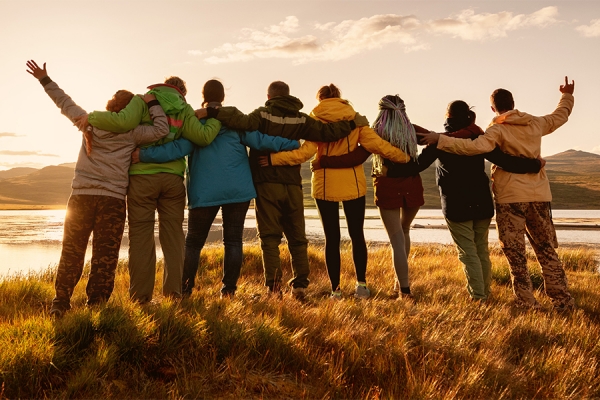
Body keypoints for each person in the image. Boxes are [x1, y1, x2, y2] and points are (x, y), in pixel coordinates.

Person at [319, 98, 543, 303]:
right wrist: (532, 164)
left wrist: (328, 162)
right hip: (446, 196)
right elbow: (488, 153)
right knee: (463, 246)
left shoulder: (390, 134)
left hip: (421, 195)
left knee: (407, 240)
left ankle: (415, 290)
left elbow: (385, 160)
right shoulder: (451, 135)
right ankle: (472, 291)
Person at [195, 81, 369, 299]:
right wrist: (352, 125)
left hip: (266, 184)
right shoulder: (302, 118)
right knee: (297, 237)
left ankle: (274, 288)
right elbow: (327, 132)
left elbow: (241, 121)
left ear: (269, 96)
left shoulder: (262, 114)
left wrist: (211, 110)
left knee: (269, 238)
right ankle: (300, 286)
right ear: (288, 96)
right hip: (293, 184)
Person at [25, 60, 170, 317]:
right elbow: (161, 129)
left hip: (80, 196)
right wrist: (152, 103)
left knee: (72, 250)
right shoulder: (134, 132)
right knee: (105, 255)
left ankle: (60, 303)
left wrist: (44, 79)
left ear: (110, 106)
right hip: (112, 200)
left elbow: (63, 102)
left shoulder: (88, 121)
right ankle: (97, 307)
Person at [419, 77, 576, 311]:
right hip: (539, 195)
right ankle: (563, 302)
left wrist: (440, 140)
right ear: (513, 103)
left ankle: (527, 302)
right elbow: (560, 116)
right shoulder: (536, 123)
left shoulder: (497, 129)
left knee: (516, 254)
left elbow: (473, 148)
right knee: (546, 249)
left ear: (493, 108)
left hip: (510, 198)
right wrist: (566, 95)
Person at [134, 80, 300, 299]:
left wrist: (144, 155)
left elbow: (177, 148)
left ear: (203, 95)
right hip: (237, 190)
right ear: (223, 97)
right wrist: (292, 144)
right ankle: (228, 291)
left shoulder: (194, 122)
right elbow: (261, 140)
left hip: (205, 191)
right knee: (233, 241)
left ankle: (185, 289)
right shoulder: (234, 121)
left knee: (193, 242)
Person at [81, 76, 222, 304]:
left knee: (140, 238)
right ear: (182, 92)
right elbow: (202, 137)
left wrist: (91, 117)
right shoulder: (184, 109)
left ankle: (140, 298)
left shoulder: (142, 100)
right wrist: (216, 118)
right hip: (172, 181)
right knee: (174, 238)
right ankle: (174, 295)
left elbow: (121, 123)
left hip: (141, 179)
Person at [263, 85, 411, 300]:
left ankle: (336, 290)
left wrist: (273, 159)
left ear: (320, 99)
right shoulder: (356, 120)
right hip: (354, 185)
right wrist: (405, 157)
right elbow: (379, 145)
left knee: (332, 238)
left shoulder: (315, 121)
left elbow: (305, 153)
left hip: (324, 185)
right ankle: (361, 286)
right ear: (339, 98)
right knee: (357, 235)